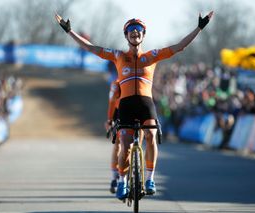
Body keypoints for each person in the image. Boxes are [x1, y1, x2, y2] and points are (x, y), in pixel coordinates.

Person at [55, 11, 213, 200]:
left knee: (151, 136)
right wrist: (70, 31)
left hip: (146, 104)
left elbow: (179, 47)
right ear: (126, 35)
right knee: (125, 145)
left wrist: (199, 28)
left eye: (138, 30)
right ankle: (122, 181)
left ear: (143, 35)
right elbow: (91, 48)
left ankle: (150, 179)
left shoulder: (152, 56)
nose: (135, 32)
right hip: (127, 105)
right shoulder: (118, 56)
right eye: (131, 30)